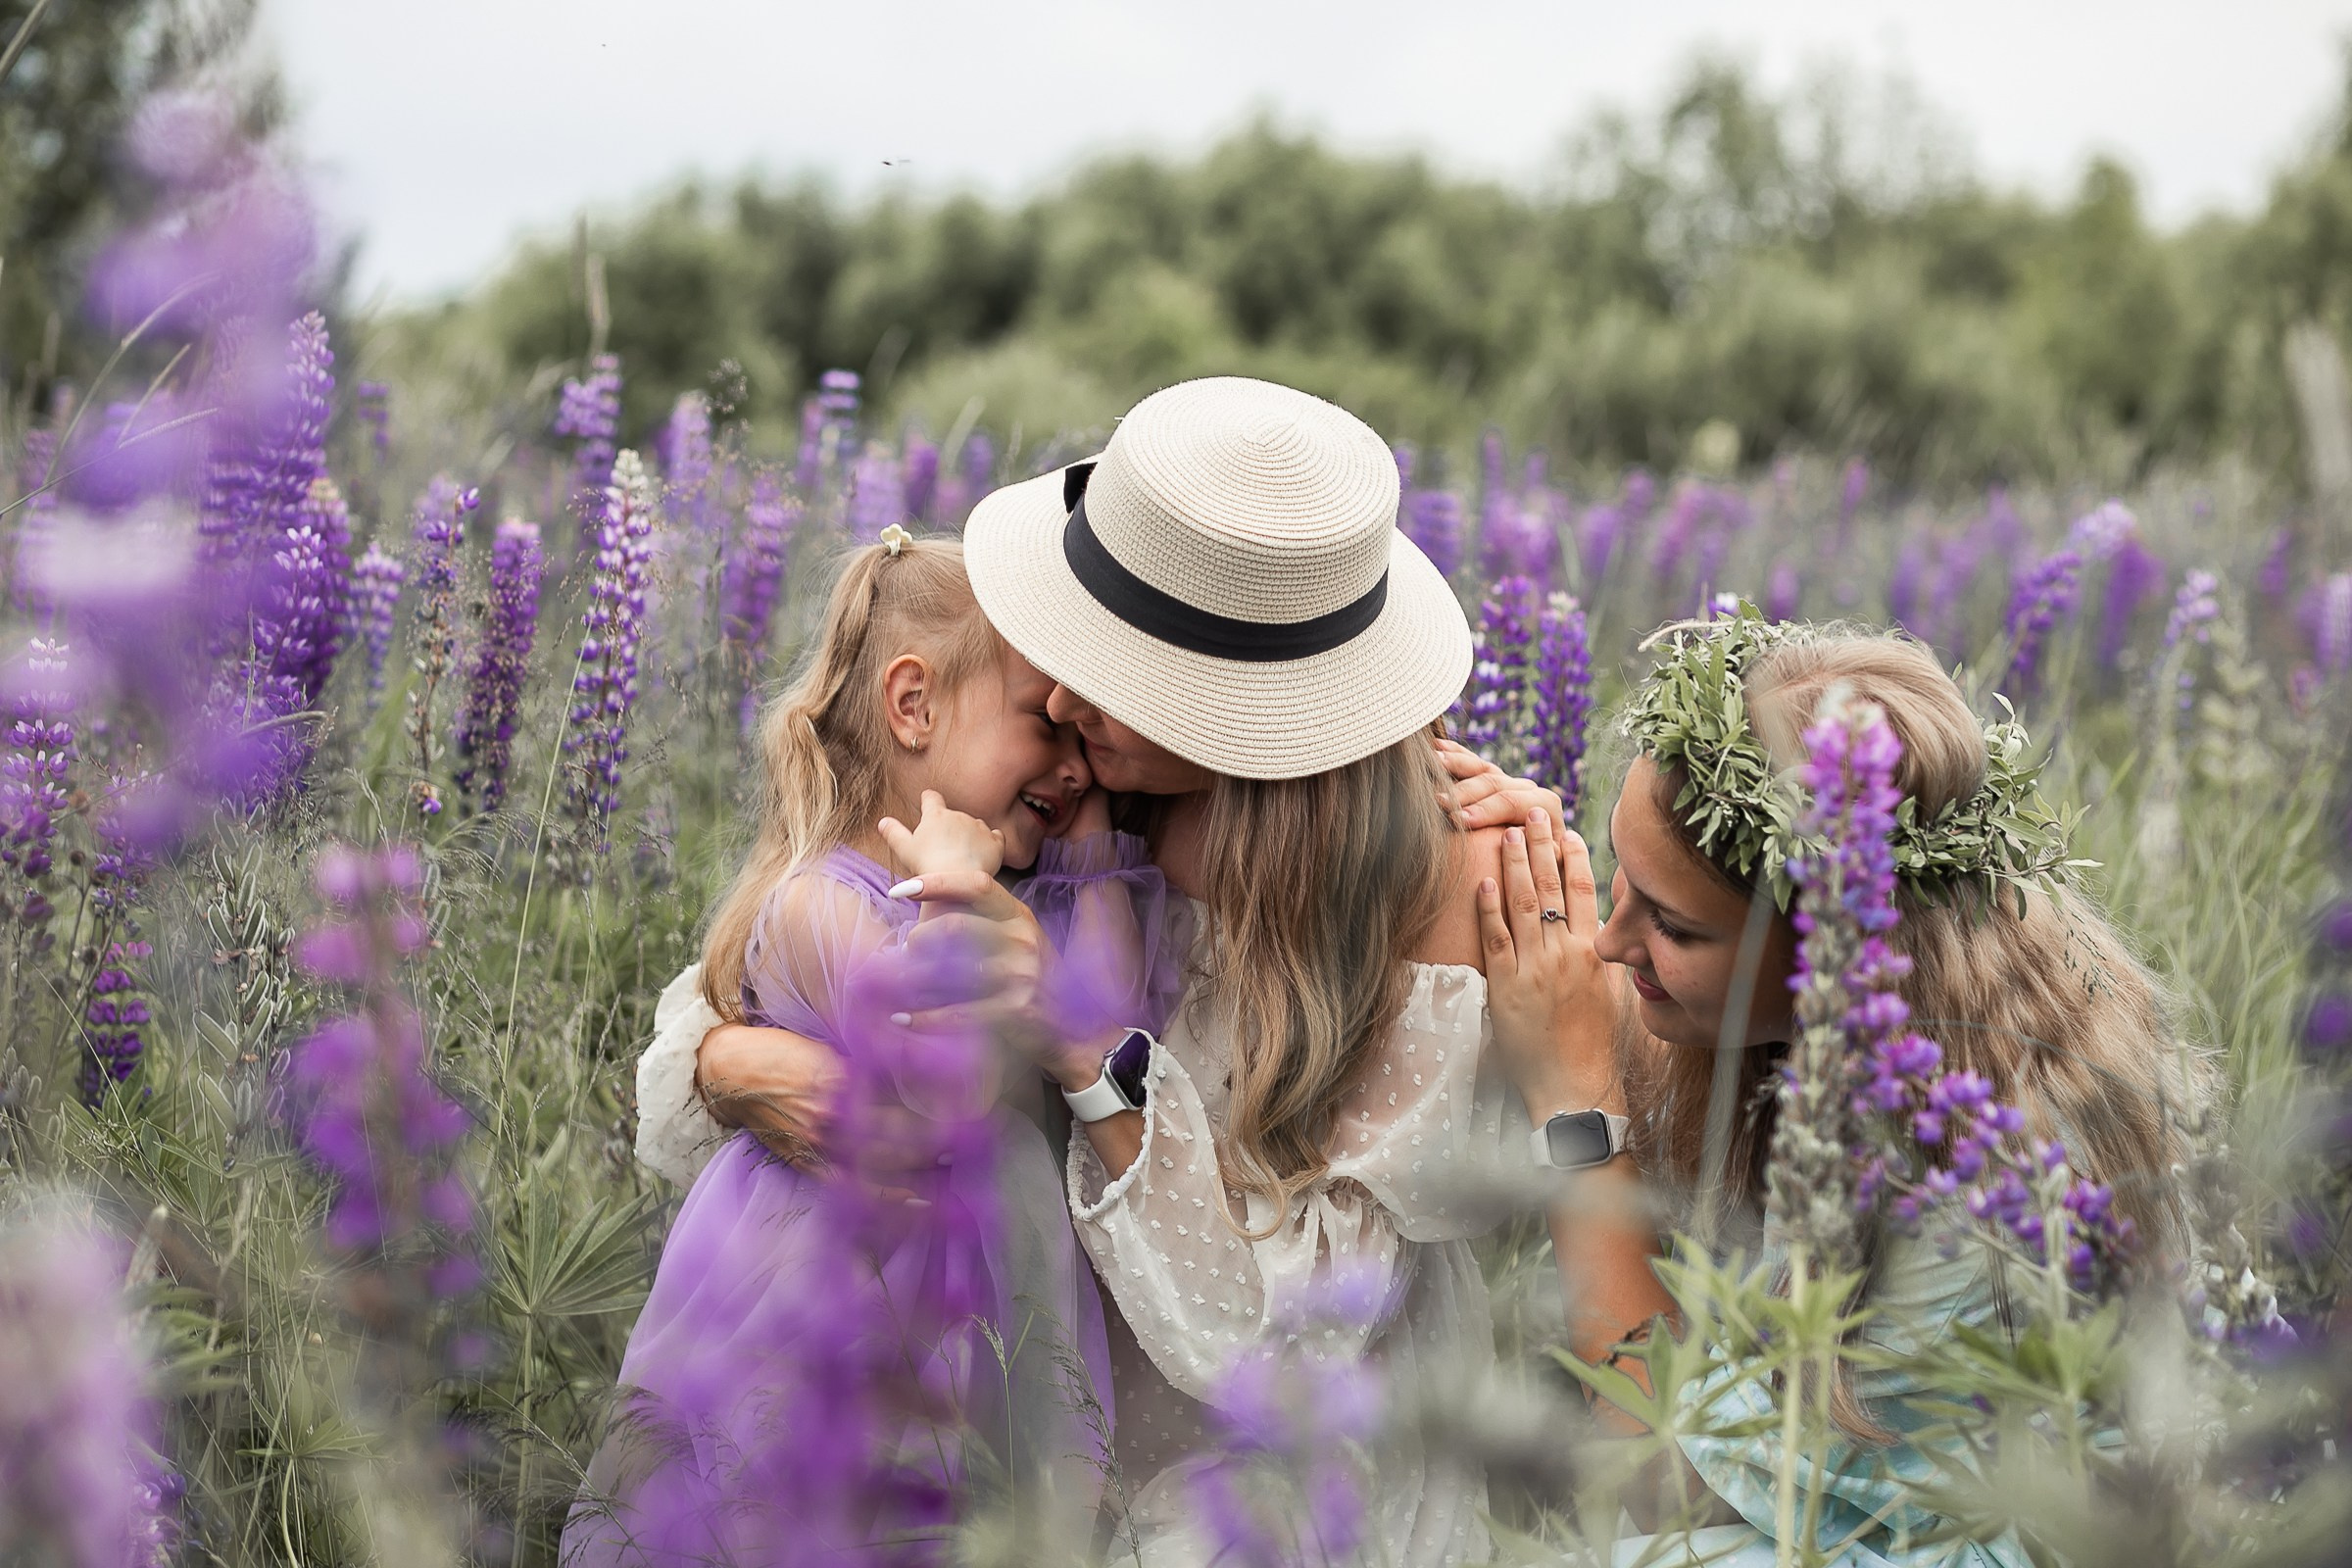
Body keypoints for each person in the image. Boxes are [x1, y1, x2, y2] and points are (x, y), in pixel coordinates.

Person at [635, 376, 1564, 1565]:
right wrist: (729, 1057)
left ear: (1242, 707)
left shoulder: (1437, 888)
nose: (1065, 691)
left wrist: (1083, 1046)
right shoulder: (1077, 781)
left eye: (1119, 666)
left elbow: (1279, 1348)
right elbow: (772, 949)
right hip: (998, 1420)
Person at [1473, 613, 2207, 1567]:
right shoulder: (1896, 1007)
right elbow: (1604, 975)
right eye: (1618, 877)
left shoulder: (1966, 1172)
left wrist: (1576, 1110)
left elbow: (1663, 1481)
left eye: (1673, 928)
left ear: (1838, 947)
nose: (1609, 945)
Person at [565, 533, 1188, 1565]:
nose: (1077, 760)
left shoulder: (1020, 898)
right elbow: (940, 1067)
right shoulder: (814, 902)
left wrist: (1085, 838)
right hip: (822, 1332)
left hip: (974, 1345)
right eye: (1046, 722)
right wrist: (957, 877)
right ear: (913, 705)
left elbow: (1111, 1020)